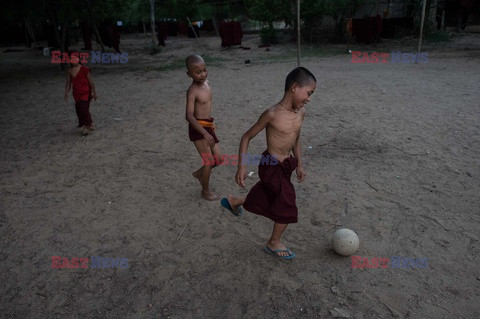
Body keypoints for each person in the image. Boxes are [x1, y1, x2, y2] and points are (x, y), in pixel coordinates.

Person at [220, 67, 316, 260]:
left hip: (287, 164)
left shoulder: (301, 113)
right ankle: (273, 243)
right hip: (271, 165)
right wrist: (242, 166)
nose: (309, 98)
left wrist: (299, 164)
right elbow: (246, 137)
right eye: (309, 93)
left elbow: (296, 139)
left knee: (268, 195)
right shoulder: (272, 114)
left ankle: (234, 201)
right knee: (286, 202)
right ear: (294, 87)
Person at [185, 55, 223, 201]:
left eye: (204, 70)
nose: (203, 74)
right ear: (189, 74)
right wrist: (205, 134)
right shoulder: (192, 91)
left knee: (218, 159)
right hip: (198, 129)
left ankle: (200, 173)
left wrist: (210, 127)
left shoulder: (206, 83)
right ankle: (205, 191)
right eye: (198, 72)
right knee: (208, 161)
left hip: (208, 126)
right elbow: (189, 116)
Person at [64, 53, 97, 135]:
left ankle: (86, 126)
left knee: (83, 108)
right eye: (72, 59)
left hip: (85, 91)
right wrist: (66, 92)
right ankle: (90, 123)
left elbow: (91, 82)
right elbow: (68, 82)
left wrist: (94, 92)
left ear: (79, 59)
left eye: (75, 58)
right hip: (76, 93)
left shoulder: (85, 69)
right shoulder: (69, 70)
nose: (74, 60)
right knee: (79, 109)